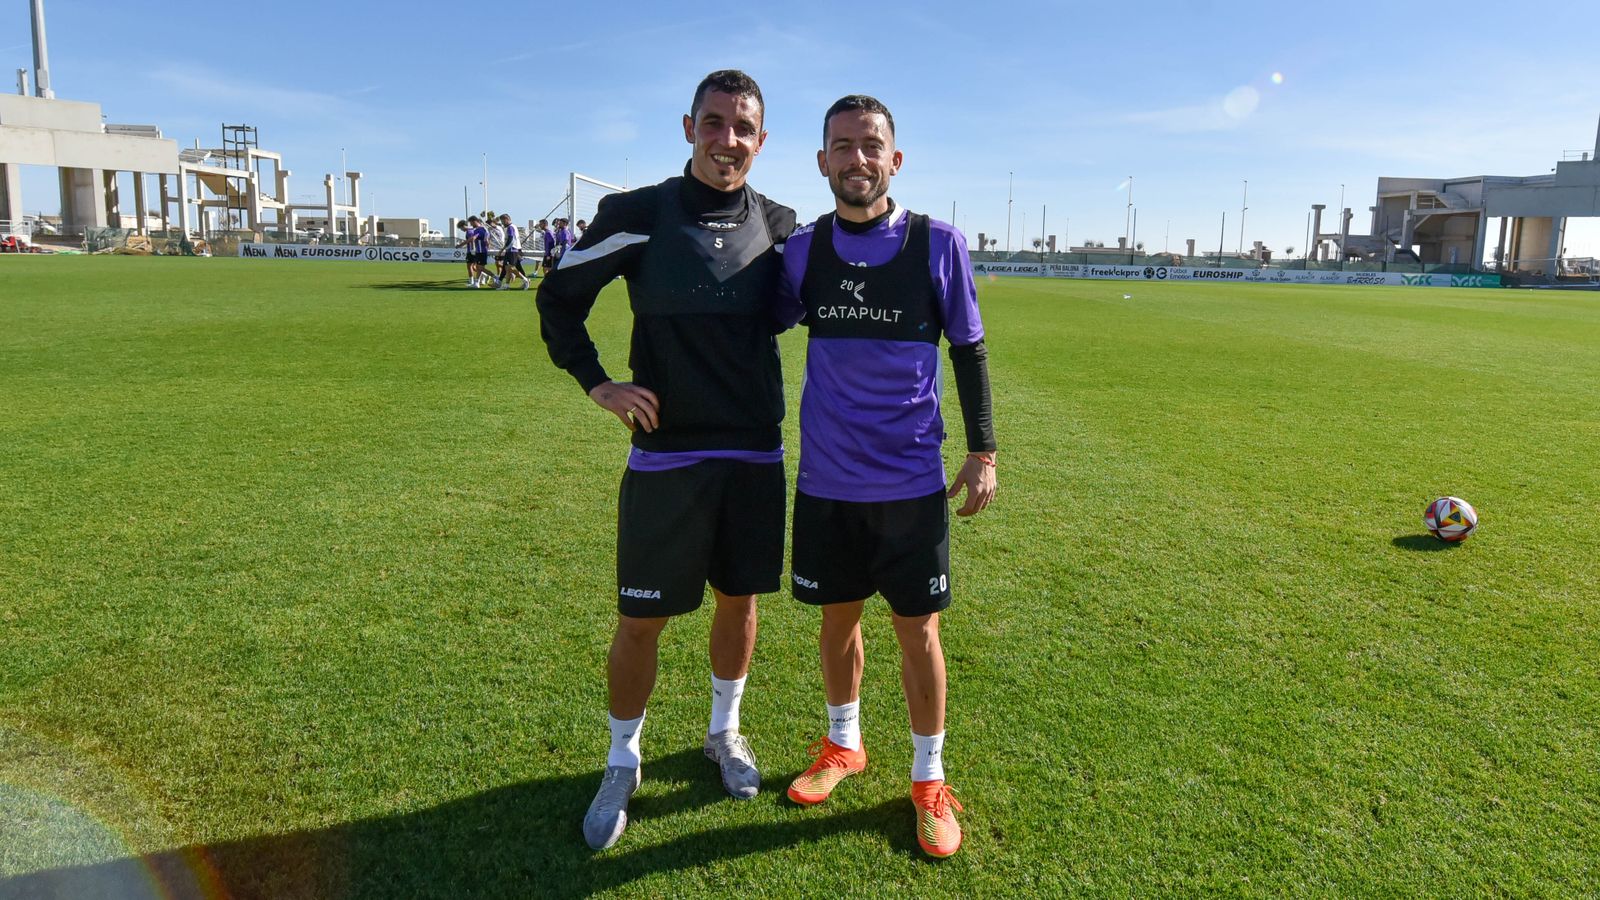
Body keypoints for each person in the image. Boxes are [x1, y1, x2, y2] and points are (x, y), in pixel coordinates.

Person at [536, 69, 796, 851]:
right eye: (714, 123)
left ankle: (724, 733)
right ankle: (622, 760)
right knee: (641, 618)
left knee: (739, 603)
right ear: (689, 128)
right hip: (666, 458)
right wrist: (599, 383)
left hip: (753, 454)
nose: (727, 140)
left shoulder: (781, 226)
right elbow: (558, 298)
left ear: (761, 140)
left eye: (743, 128)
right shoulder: (638, 215)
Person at [775, 94, 996, 859]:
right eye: (843, 145)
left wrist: (984, 451)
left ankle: (929, 779)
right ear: (822, 161)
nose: (857, 158)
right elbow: (748, 319)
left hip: (910, 485)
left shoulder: (938, 244)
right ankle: (845, 745)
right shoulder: (804, 252)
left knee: (918, 630)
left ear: (894, 159)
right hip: (827, 484)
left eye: (871, 144)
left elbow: (968, 348)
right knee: (837, 622)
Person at [495, 213, 533, 290]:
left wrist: (502, 249)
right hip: (512, 250)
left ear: (507, 219)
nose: (502, 223)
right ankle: (506, 285)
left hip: (512, 250)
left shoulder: (510, 227)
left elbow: (511, 239)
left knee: (510, 268)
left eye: (503, 221)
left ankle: (525, 280)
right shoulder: (513, 227)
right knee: (507, 268)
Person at [458, 216, 491, 287]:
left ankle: (474, 281)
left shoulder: (472, 231)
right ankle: (479, 280)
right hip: (476, 251)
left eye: (460, 228)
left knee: (471, 266)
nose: (461, 230)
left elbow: (472, 239)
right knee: (475, 267)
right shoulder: (473, 230)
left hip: (474, 251)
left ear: (463, 226)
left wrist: (472, 249)